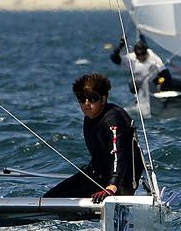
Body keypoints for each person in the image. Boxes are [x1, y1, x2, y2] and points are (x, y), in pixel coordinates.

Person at [44, 73, 144, 202]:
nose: (86, 104)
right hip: (98, 176)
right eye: (82, 99)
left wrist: (112, 186)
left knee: (58, 200)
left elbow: (118, 154)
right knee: (49, 198)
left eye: (92, 98)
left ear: (103, 98)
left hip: (117, 184)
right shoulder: (90, 117)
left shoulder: (113, 119)